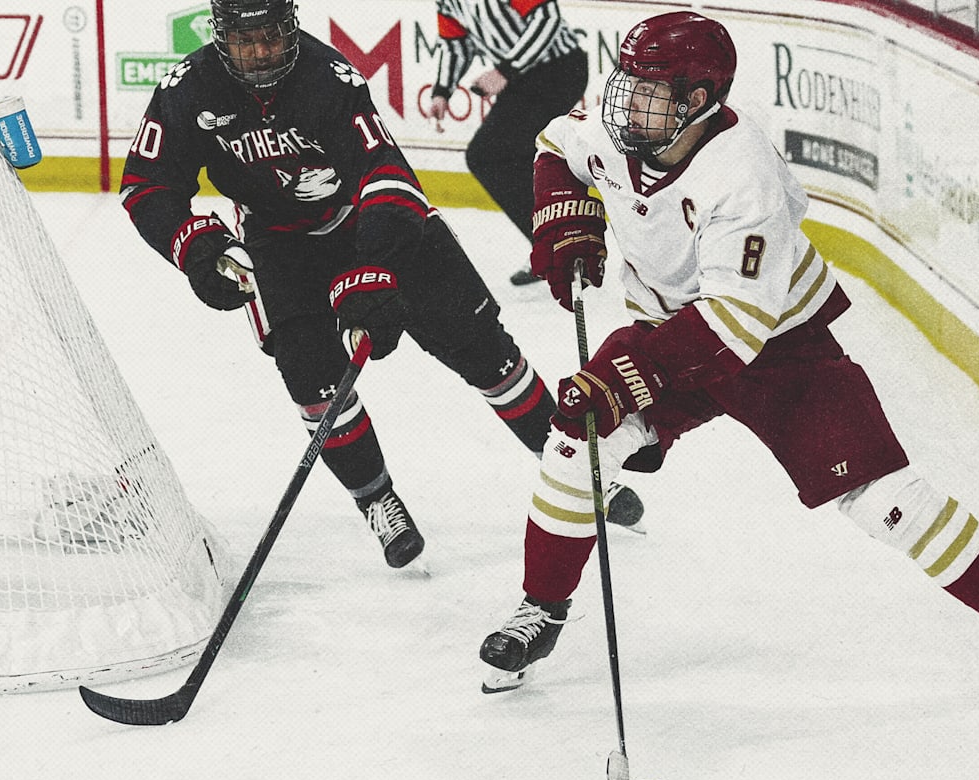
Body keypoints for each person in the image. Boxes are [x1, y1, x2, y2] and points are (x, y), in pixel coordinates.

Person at [477, 11, 979, 698]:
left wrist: (625, 379)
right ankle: (543, 608)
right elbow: (554, 146)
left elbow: (733, 325)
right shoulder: (619, 131)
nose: (628, 103)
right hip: (666, 331)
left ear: (700, 103)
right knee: (576, 445)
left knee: (882, 499)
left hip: (778, 347)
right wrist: (566, 220)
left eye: (651, 92)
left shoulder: (743, 177)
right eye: (627, 83)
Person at [119, 0, 641, 570]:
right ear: (220, 36)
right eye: (247, 41)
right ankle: (378, 500)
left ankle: (569, 469)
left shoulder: (329, 77)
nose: (262, 51)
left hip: (373, 221)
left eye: (272, 36)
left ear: (290, 27)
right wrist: (197, 248)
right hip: (280, 246)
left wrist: (373, 266)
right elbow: (146, 184)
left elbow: (388, 175)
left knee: (484, 350)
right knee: (312, 382)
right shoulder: (186, 90)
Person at [427, 0, 588, 287]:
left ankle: (557, 246)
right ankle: (561, 245)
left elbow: (546, 20)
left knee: (487, 155)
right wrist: (442, 90)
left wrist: (505, 71)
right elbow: (456, 45)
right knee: (515, 157)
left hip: (559, 69)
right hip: (525, 79)